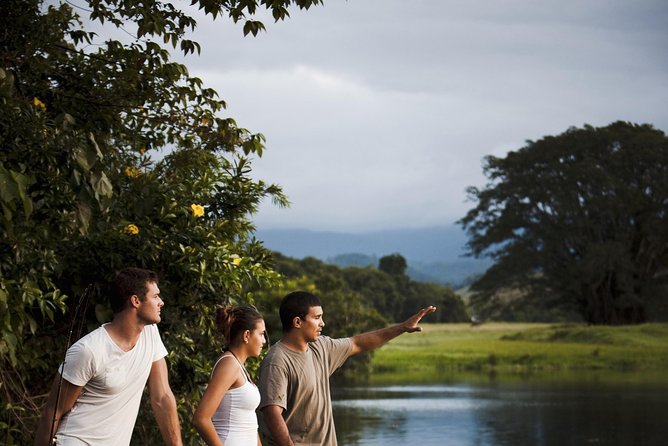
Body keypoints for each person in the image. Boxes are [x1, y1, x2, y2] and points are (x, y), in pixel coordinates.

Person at [257, 290, 436, 446]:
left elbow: (358, 343)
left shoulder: (321, 347)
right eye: (317, 317)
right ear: (297, 322)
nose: (322, 323)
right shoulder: (277, 361)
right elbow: (272, 414)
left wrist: (402, 328)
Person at [34, 267, 182, 446]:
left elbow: (162, 397)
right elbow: (53, 411)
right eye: (155, 296)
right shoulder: (88, 350)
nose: (161, 302)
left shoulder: (150, 334)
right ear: (135, 301)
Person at [193, 305, 267, 446]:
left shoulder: (239, 366)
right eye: (261, 334)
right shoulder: (229, 364)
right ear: (246, 335)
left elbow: (249, 423)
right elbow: (201, 418)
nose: (263, 341)